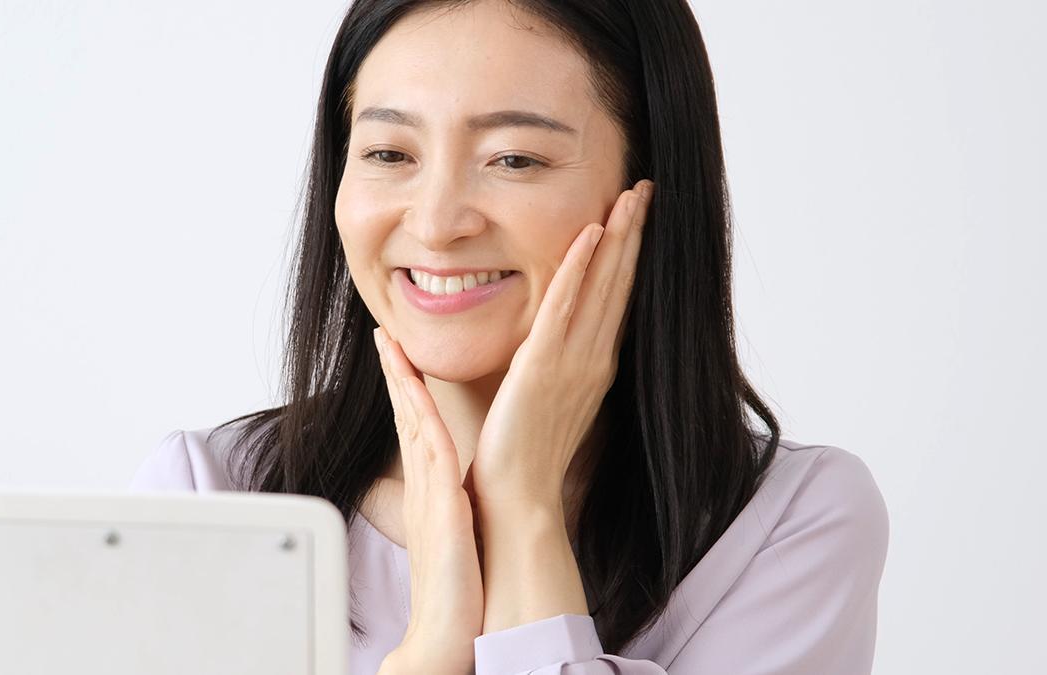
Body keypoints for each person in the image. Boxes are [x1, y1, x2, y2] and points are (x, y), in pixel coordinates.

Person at [130, 1, 890, 673]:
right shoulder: (213, 498)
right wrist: (430, 652)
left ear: (648, 193)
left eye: (514, 159)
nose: (435, 222)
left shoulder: (789, 524)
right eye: (390, 154)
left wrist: (523, 506)